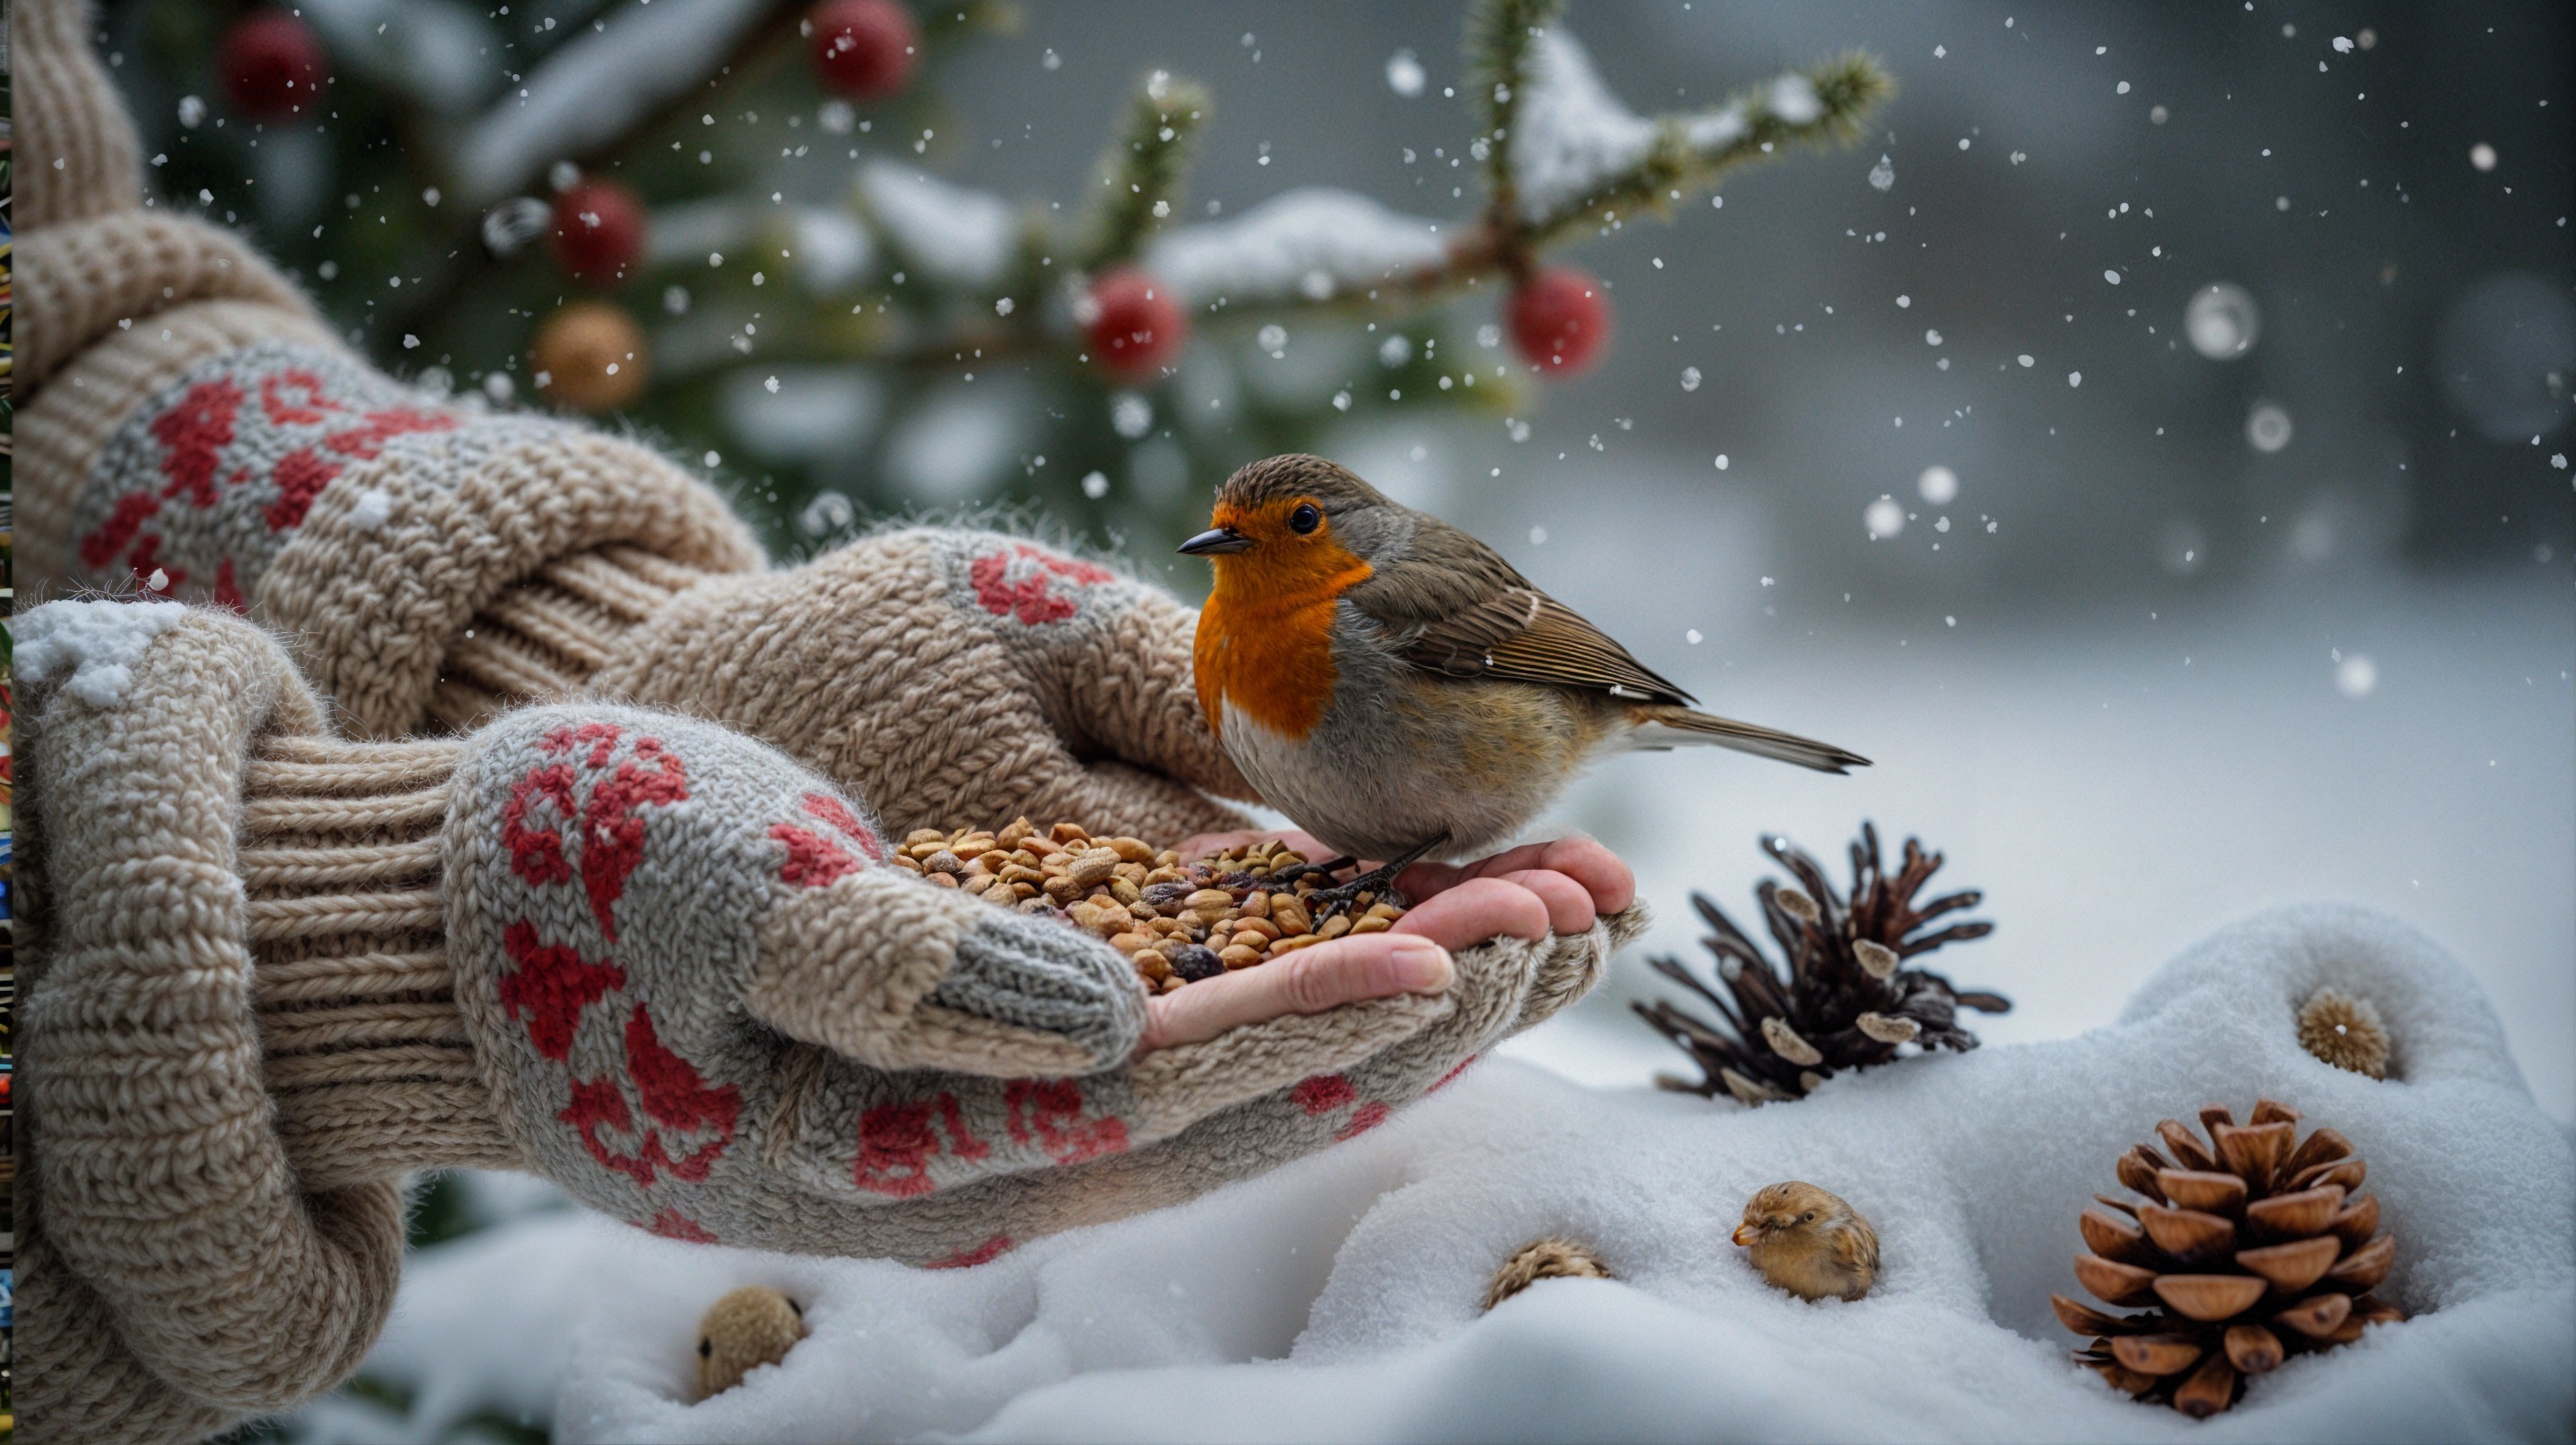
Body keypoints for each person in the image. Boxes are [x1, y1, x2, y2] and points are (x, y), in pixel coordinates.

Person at [8, 4, 1640, 1439]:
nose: (1233, 553)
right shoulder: (1252, 621)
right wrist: (356, 948)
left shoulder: (1392, 608)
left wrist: (618, 650)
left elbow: (61, 313)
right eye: (1235, 534)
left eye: (1278, 538)